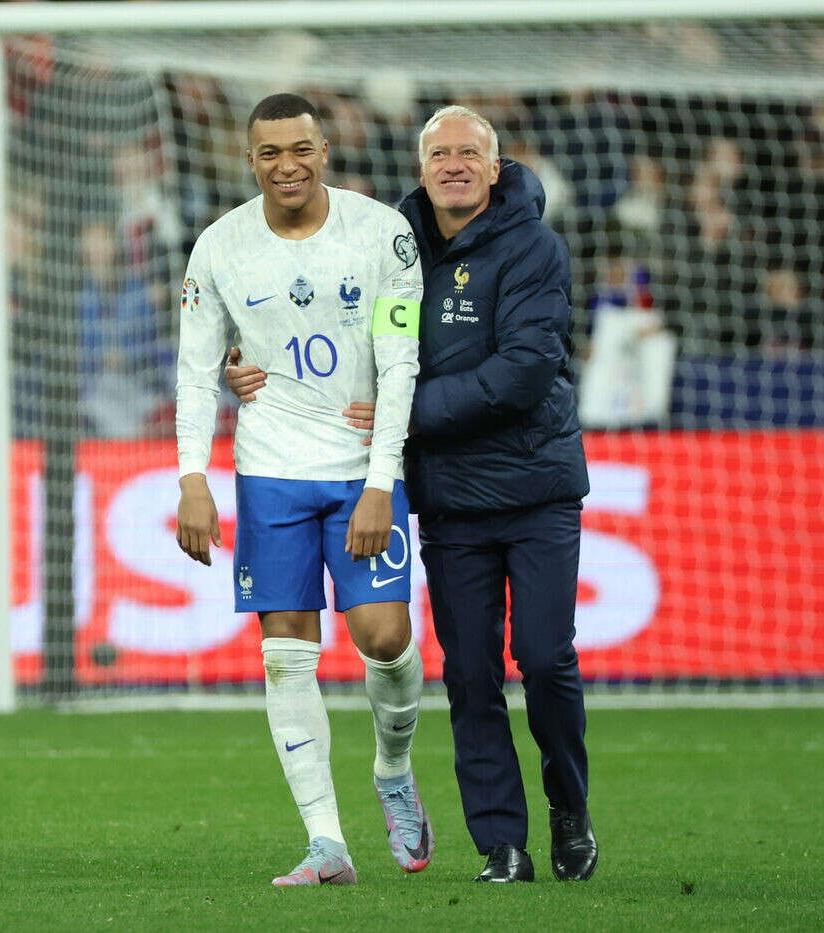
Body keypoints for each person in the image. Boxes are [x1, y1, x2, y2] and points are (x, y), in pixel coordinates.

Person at [227, 105, 598, 884]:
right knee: (468, 673)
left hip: (534, 486)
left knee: (543, 655)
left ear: (496, 170)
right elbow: (322, 320)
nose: (454, 165)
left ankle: (569, 806)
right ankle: (502, 844)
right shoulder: (387, 243)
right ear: (421, 166)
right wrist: (248, 361)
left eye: (470, 153)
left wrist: (408, 413)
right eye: (440, 154)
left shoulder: (535, 247)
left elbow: (528, 369)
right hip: (450, 494)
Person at [174, 93, 432, 888]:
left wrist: (383, 482)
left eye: (300, 149)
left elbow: (400, 363)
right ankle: (327, 843)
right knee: (286, 658)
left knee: (384, 638)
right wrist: (192, 477)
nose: (286, 165)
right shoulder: (219, 247)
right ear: (248, 160)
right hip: (270, 470)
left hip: (358, 467)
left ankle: (393, 765)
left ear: (325, 149)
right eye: (268, 153)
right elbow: (195, 368)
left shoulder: (383, 233)